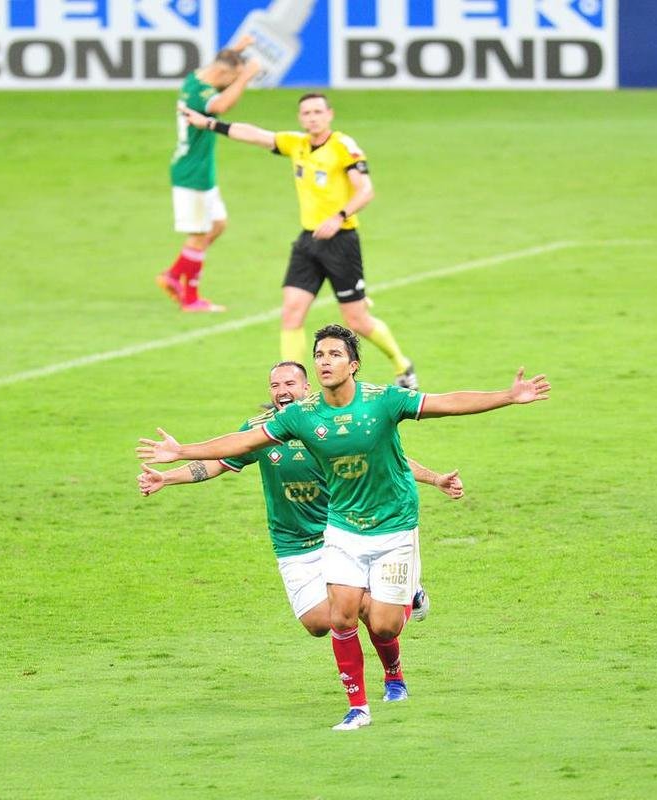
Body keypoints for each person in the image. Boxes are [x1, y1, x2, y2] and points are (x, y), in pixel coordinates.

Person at [137, 324, 550, 729]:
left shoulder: (382, 401)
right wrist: (180, 453)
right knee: (336, 619)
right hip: (341, 530)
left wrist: (508, 397)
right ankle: (358, 709)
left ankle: (403, 621)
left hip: (392, 526)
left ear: (353, 364)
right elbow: (239, 445)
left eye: (334, 354)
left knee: (386, 624)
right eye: (319, 355)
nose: (325, 361)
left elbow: (444, 403)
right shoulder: (299, 419)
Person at [137, 361, 464, 702]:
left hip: (339, 535)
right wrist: (168, 478)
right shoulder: (260, 431)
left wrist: (435, 478)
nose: (282, 391)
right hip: (293, 543)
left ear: (306, 388)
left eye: (290, 383)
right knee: (318, 623)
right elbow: (218, 461)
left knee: (365, 614)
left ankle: (393, 674)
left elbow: (391, 461)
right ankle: (399, 593)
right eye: (275, 386)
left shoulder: (318, 424)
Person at [180, 94, 418, 388]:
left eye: (318, 111)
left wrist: (339, 216)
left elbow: (365, 190)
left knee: (357, 320)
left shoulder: (343, 147)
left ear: (329, 114)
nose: (312, 117)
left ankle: (402, 365)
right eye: (306, 113)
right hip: (308, 241)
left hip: (341, 242)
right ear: (300, 118)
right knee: (291, 311)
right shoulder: (298, 144)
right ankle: (293, 391)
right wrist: (209, 124)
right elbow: (256, 135)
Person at [159, 39, 260, 313]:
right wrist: (246, 77)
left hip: (200, 170)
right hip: (193, 173)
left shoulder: (195, 78)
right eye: (233, 78)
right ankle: (190, 298)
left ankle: (174, 274)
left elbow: (223, 63)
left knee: (218, 224)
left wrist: (238, 48)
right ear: (225, 75)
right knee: (199, 234)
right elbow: (222, 106)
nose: (232, 83)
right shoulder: (201, 95)